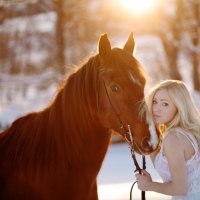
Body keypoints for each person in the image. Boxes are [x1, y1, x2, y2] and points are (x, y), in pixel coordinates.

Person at [136, 80, 200, 199]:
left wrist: (149, 185)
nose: (156, 109)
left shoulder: (173, 138)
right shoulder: (189, 133)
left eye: (165, 104)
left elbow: (180, 189)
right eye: (155, 102)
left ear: (179, 106)